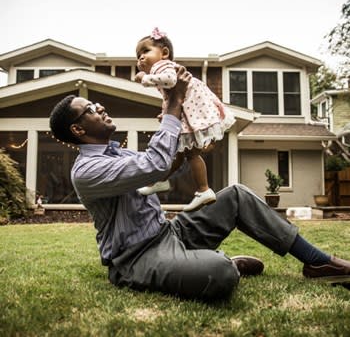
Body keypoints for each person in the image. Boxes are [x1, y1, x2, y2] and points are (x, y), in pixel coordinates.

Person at [49, 67, 350, 302]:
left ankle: (318, 263)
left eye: (95, 104)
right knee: (218, 273)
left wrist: (186, 133)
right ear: (78, 128)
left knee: (236, 195)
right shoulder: (88, 170)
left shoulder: (120, 152)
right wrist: (174, 105)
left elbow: (163, 169)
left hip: (170, 232)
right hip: (138, 257)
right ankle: (224, 263)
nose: (99, 107)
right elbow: (152, 164)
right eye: (90, 109)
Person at [134, 27, 236, 211]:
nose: (140, 57)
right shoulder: (160, 66)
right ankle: (161, 181)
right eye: (138, 55)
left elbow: (171, 81)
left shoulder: (162, 66)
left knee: (191, 154)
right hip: (188, 108)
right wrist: (165, 115)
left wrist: (145, 78)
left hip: (192, 109)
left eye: (145, 51)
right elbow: (171, 97)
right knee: (179, 154)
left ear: (164, 53)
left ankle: (204, 190)